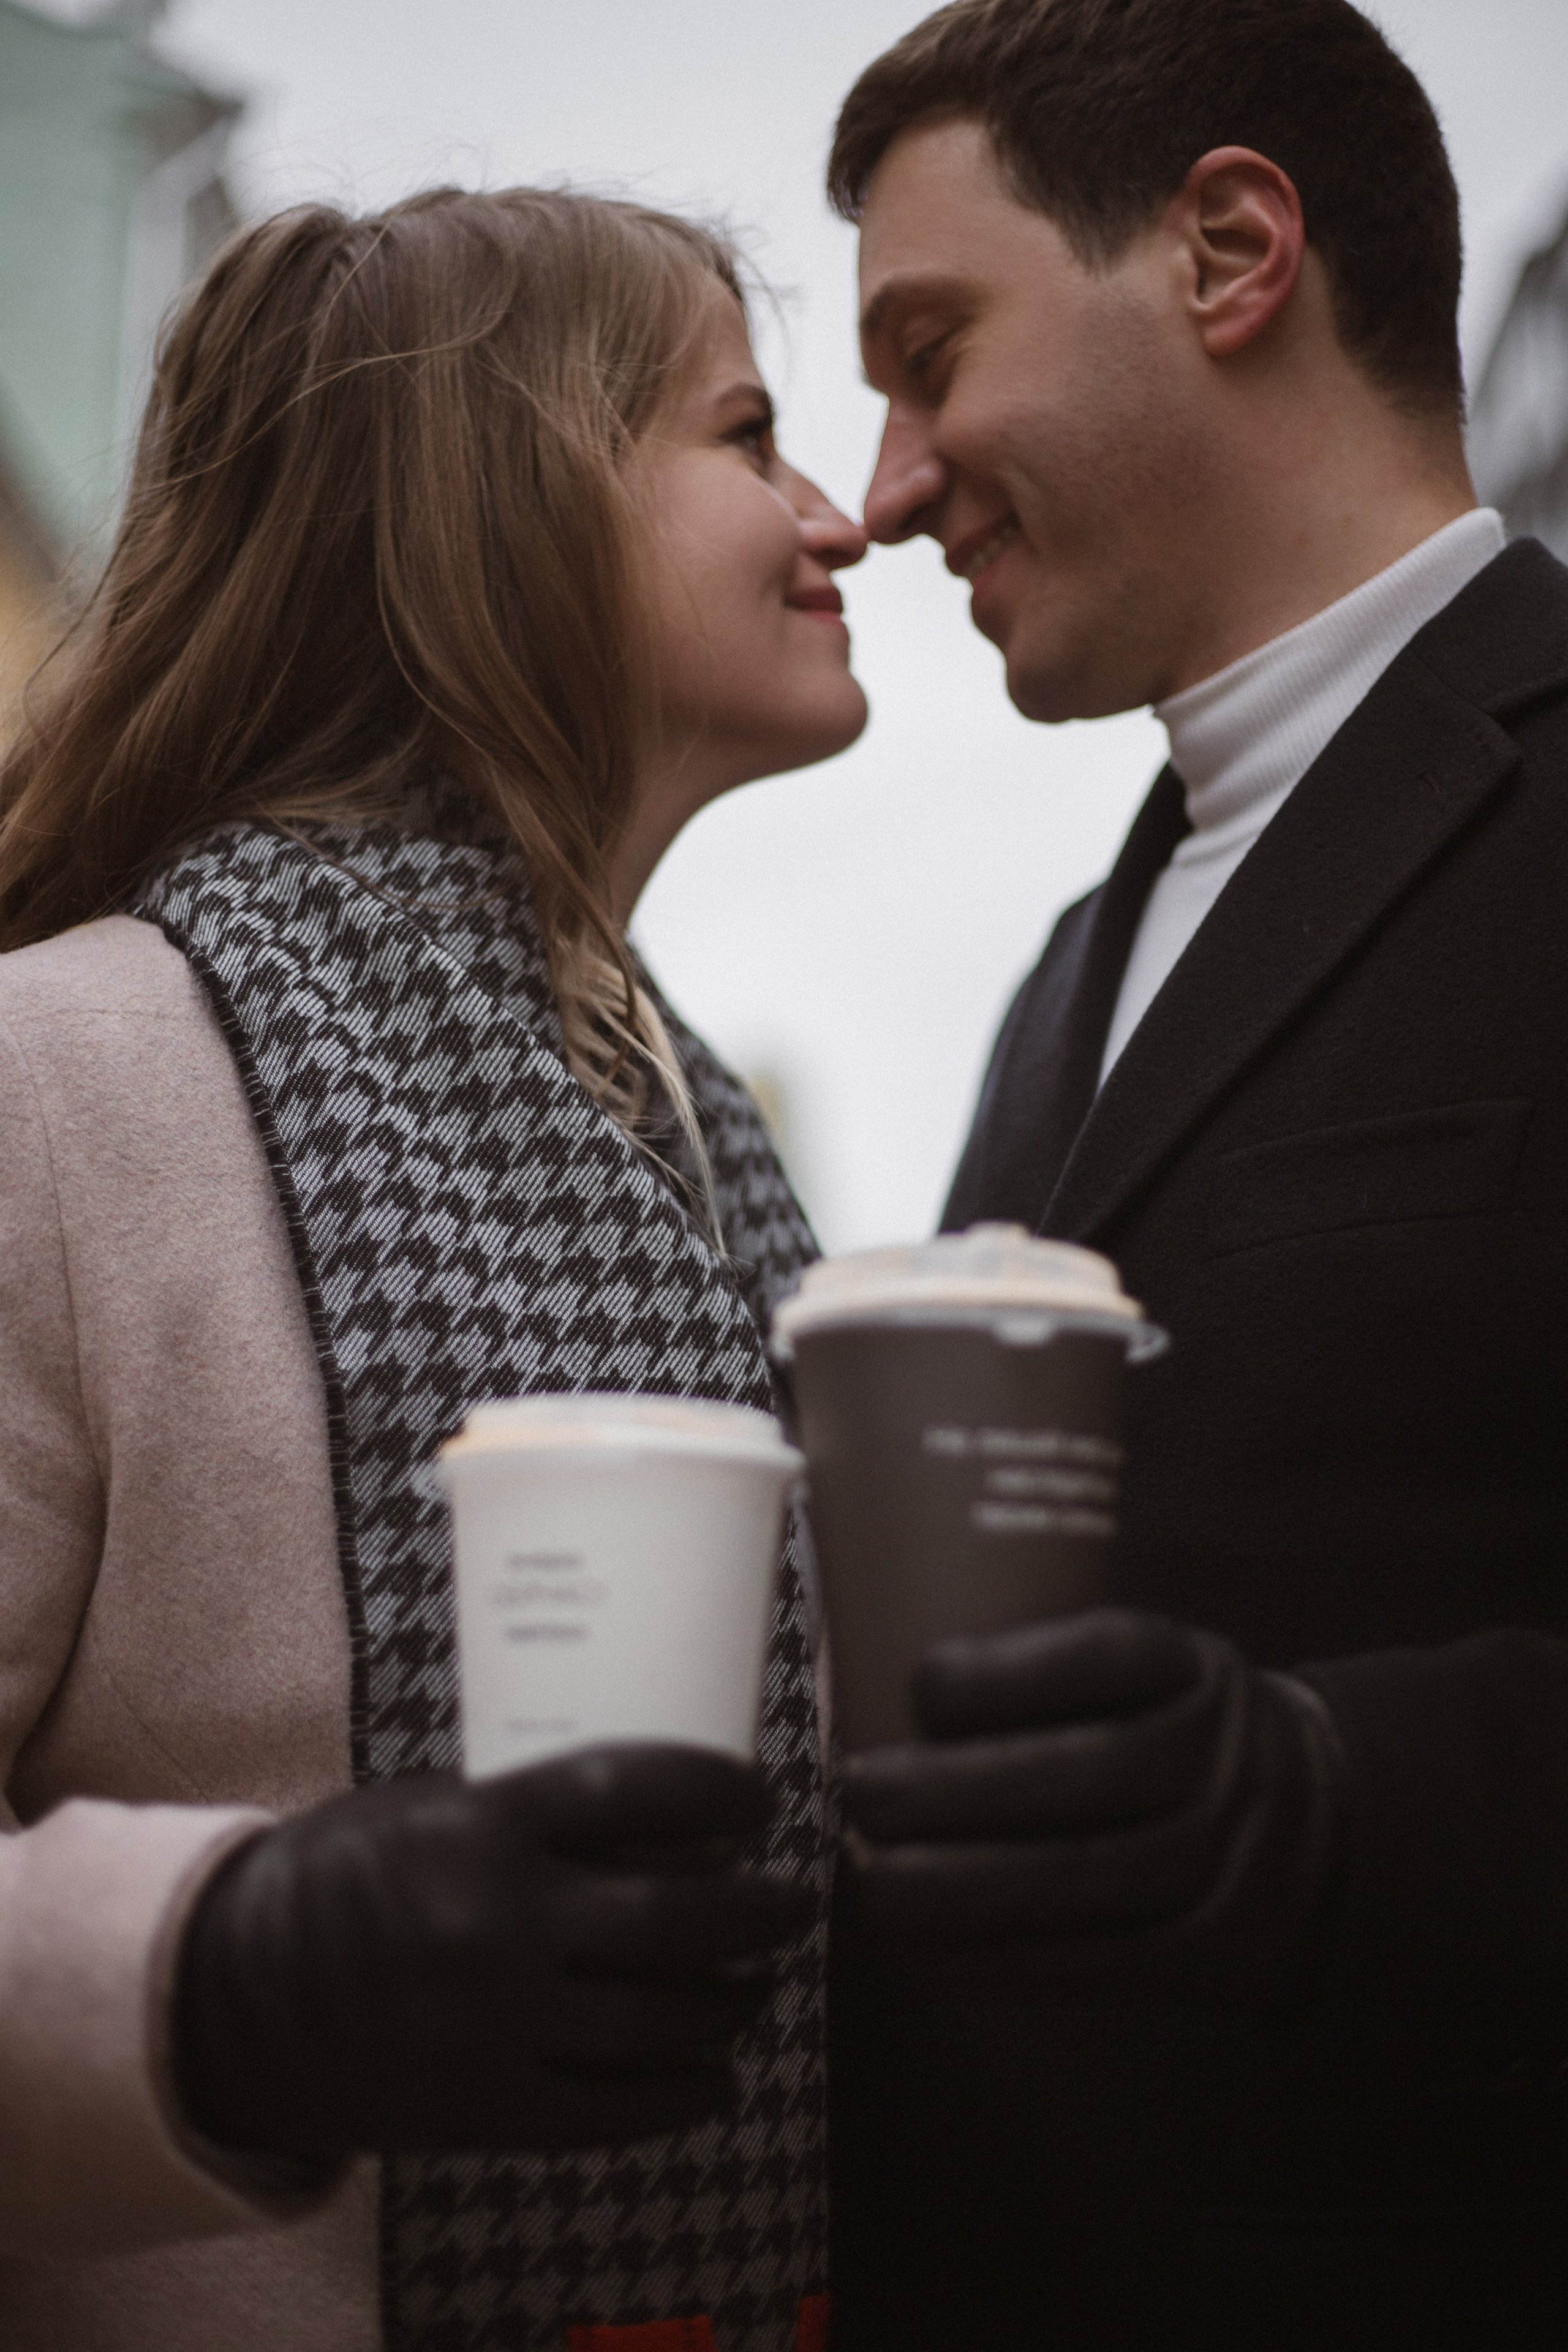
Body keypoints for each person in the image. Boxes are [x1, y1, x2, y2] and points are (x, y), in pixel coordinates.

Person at [0, 187, 867, 2351]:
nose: (840, 515)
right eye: (751, 433)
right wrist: (230, 1979)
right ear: (515, 496)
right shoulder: (58, 1073)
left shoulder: (695, 1140)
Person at [820, 2, 1568, 2346]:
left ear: (1234, 247)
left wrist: (1324, 1788)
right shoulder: (1070, 960)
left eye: (930, 353)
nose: (884, 484)